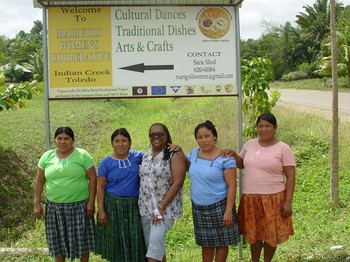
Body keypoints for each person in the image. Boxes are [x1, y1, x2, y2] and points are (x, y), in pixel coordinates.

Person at [231, 112, 296, 262]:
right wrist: (234, 154)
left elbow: (291, 177)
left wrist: (288, 202)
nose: (264, 129)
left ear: (275, 128)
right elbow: (241, 164)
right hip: (250, 198)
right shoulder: (250, 144)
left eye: (268, 126)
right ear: (256, 128)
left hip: (273, 199)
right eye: (260, 126)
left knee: (270, 234)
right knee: (254, 234)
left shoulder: (283, 148)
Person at [33, 126, 97, 262]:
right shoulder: (47, 156)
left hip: (79, 207)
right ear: (55, 140)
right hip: (55, 208)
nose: (63, 142)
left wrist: (91, 202)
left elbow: (93, 178)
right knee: (58, 242)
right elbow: (39, 181)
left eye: (66, 138)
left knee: (82, 241)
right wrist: (36, 203)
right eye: (59, 138)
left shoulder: (82, 155)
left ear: (73, 140)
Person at [183, 120, 240, 262]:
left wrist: (228, 211)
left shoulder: (225, 158)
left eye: (207, 136)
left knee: (221, 242)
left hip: (220, 206)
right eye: (199, 137)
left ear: (214, 136)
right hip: (199, 207)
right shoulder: (193, 154)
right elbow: (182, 167)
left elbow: (232, 186)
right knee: (206, 243)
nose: (204, 140)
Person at [95, 128, 146, 261]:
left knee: (135, 238)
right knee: (115, 241)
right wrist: (101, 210)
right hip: (112, 206)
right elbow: (100, 187)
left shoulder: (137, 157)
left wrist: (175, 149)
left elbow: (155, 155)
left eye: (124, 141)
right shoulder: (106, 163)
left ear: (130, 143)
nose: (120, 144)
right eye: (116, 141)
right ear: (112, 143)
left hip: (133, 205)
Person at [138, 123, 186, 262]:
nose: (156, 137)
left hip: (165, 210)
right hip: (146, 209)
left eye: (160, 134)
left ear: (167, 136)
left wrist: (161, 207)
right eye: (153, 134)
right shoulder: (145, 156)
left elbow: (178, 183)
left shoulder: (173, 154)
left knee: (153, 251)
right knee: (155, 247)